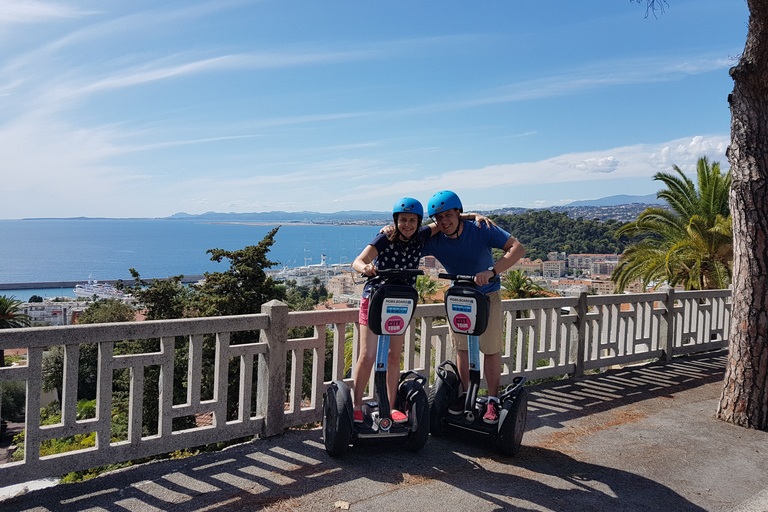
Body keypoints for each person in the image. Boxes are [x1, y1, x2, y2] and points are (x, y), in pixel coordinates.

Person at [351, 197, 493, 424]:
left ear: (418, 222)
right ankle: (356, 405)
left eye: (412, 220)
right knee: (368, 356)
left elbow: (446, 221)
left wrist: (473, 216)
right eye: (403, 220)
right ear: (396, 220)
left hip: (400, 302)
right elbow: (358, 260)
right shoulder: (385, 237)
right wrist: (366, 267)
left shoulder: (422, 236)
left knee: (393, 356)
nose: (407, 225)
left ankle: (390, 404)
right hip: (375, 299)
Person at [422, 190, 525, 425]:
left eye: (449, 215)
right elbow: (410, 238)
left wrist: (492, 271)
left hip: (487, 296)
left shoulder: (480, 229)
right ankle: (466, 394)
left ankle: (491, 399)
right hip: (459, 299)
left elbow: (517, 248)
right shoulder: (436, 239)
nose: (444, 222)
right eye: (439, 218)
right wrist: (387, 232)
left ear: (458, 212)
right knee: (463, 350)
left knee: (490, 349)